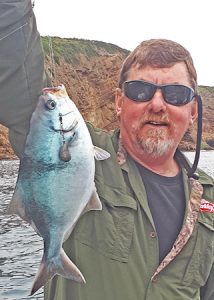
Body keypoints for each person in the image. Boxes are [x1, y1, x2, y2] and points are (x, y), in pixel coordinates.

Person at [0, 2, 213, 300]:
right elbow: (19, 81)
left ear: (192, 111)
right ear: (118, 101)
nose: (157, 104)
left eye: (176, 94)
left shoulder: (209, 197)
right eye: (140, 90)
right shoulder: (75, 147)